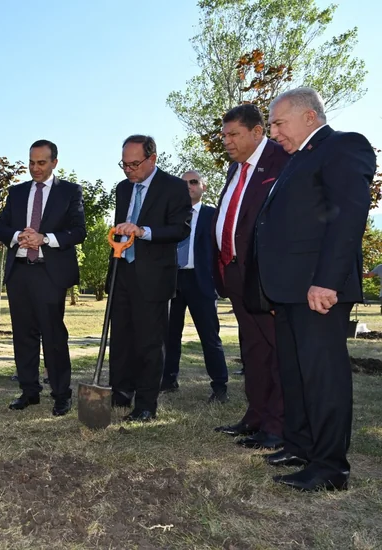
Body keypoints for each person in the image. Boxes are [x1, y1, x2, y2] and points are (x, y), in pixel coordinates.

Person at [256, 87, 374, 491]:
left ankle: (329, 468)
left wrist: (327, 281)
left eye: (277, 123)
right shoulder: (295, 160)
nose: (272, 132)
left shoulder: (343, 146)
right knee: (296, 374)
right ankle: (300, 445)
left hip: (317, 289)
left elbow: (347, 218)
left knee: (323, 378)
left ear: (309, 117)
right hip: (290, 291)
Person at [212, 104, 289, 451]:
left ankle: (277, 426)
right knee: (253, 349)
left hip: (265, 276)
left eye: (233, 135)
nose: (226, 141)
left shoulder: (281, 160)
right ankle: (255, 416)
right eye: (224, 135)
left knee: (277, 351)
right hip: (234, 273)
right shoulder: (235, 168)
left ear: (257, 132)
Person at [0, 140, 86, 417]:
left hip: (50, 273)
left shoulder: (70, 192)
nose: (35, 168)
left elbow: (78, 231)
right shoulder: (17, 192)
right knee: (23, 335)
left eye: (41, 162)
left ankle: (61, 394)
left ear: (54, 162)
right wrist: (16, 236)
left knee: (53, 335)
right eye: (32, 162)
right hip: (19, 271)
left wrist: (44, 239)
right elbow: (0, 227)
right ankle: (29, 391)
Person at [108, 135, 192, 422]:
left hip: (153, 277)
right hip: (122, 272)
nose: (128, 170)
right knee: (120, 338)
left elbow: (180, 230)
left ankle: (145, 404)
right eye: (124, 164)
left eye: (134, 164)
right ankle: (120, 392)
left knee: (149, 342)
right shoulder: (122, 189)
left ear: (152, 158)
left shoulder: (174, 187)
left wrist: (144, 231)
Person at [162, 170, 229, 402]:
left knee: (209, 336)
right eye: (184, 183)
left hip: (201, 281)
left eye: (193, 182)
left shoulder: (214, 215)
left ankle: (220, 386)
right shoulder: (170, 215)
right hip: (173, 279)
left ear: (204, 186)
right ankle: (168, 380)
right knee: (169, 335)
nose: (188, 186)